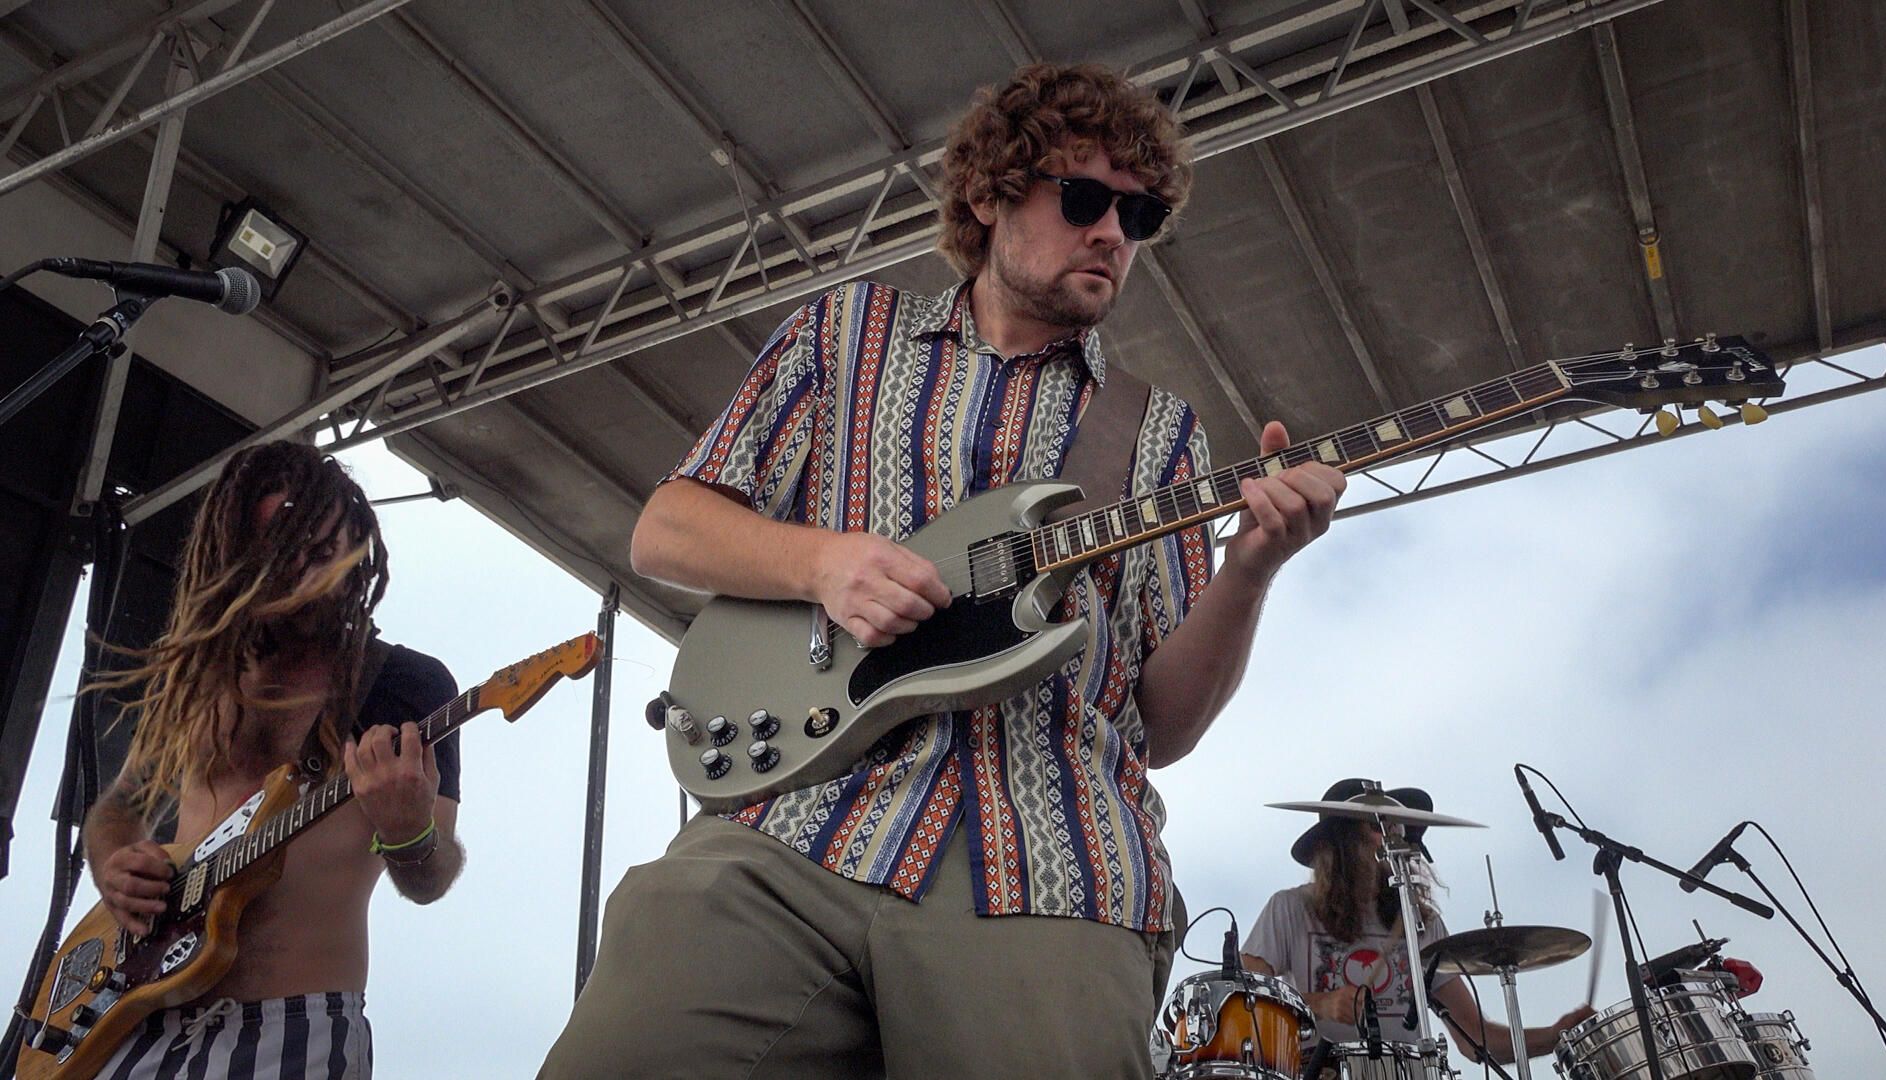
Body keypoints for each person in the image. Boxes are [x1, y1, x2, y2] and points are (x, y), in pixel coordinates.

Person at [539, 62, 1345, 1080]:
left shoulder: (1162, 437)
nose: (1113, 234)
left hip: (1050, 859)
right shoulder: (845, 338)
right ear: (988, 194)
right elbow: (667, 529)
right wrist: (824, 562)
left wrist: (1253, 570)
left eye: (1138, 215)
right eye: (1085, 198)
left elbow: (1166, 723)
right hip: (796, 825)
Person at [79, 440, 463, 1078]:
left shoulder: (401, 685)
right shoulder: (200, 680)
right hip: (134, 1013)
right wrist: (116, 863)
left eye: (326, 552)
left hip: (294, 1027)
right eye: (286, 555)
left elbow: (432, 877)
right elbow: (115, 810)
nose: (313, 576)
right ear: (238, 559)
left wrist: (409, 832)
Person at [1243, 779, 1595, 1068]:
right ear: (1340, 843)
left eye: (1396, 827)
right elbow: (1240, 998)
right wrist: (1319, 1004)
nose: (1393, 835)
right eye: (1376, 826)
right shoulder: (1290, 909)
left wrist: (1556, 1035)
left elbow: (1474, 1041)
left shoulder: (1419, 924)